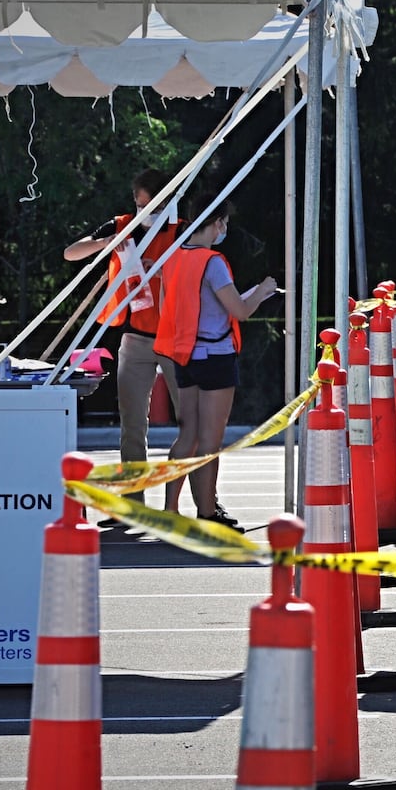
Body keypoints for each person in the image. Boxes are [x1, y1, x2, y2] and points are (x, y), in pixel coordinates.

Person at [153, 194, 276, 527]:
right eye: (225, 223)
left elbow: (168, 309)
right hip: (216, 357)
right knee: (209, 440)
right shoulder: (213, 262)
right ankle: (207, 512)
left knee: (187, 435)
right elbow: (239, 311)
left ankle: (170, 509)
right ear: (218, 222)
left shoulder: (173, 259)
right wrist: (263, 290)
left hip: (185, 355)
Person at [63, 168, 184, 506]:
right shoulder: (122, 226)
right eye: (141, 205)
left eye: (154, 206)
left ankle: (188, 503)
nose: (147, 213)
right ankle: (133, 501)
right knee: (132, 426)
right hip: (136, 339)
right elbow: (71, 253)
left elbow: (210, 257)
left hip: (176, 340)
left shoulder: (183, 230)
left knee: (190, 424)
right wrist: (107, 243)